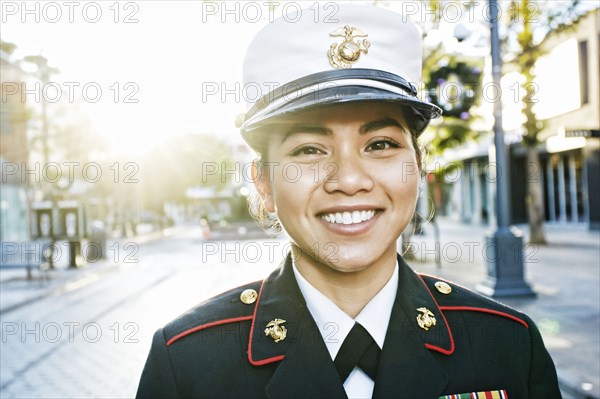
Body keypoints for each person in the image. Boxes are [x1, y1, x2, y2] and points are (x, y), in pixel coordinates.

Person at [136, 4, 561, 398]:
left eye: (379, 144)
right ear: (263, 183)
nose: (350, 180)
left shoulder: (506, 344)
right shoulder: (188, 361)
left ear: (418, 167)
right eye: (309, 150)